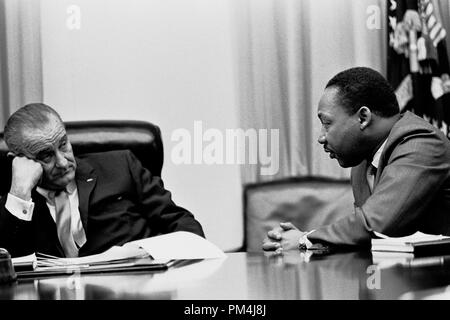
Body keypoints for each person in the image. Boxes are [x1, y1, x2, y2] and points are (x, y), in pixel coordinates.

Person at [263, 67, 450, 252]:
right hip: (396, 275)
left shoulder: (421, 143)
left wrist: (305, 239)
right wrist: (307, 241)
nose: (321, 137)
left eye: (327, 123)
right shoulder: (362, 163)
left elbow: (376, 224)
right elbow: (363, 238)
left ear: (363, 118)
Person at [0, 103, 204, 257]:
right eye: (46, 156)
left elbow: (182, 223)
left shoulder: (121, 166)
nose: (63, 162)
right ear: (18, 161)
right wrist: (19, 193)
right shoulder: (13, 205)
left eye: (63, 144)